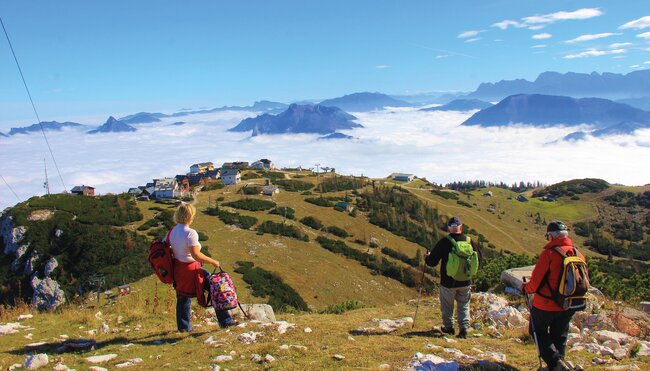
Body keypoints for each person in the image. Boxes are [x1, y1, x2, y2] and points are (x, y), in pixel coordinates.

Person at [523, 221, 583, 371]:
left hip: (546, 303)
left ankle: (555, 363)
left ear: (551, 236)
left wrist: (525, 288)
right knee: (560, 334)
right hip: (569, 303)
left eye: (547, 236)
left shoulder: (549, 254)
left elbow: (535, 282)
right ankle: (558, 365)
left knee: (537, 331)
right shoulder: (577, 253)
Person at [168, 202, 236, 332]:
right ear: (190, 216)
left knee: (182, 297)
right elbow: (196, 255)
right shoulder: (190, 233)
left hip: (178, 270)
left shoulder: (172, 232)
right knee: (214, 288)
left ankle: (183, 328)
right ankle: (225, 321)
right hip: (192, 269)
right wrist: (213, 261)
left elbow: (168, 248)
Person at [425, 216, 481, 338]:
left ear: (450, 228)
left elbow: (432, 262)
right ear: (461, 227)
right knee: (464, 304)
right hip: (465, 280)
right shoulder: (469, 241)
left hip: (448, 282)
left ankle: (448, 327)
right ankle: (464, 328)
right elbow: (478, 259)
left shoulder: (445, 242)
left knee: (447, 305)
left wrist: (427, 257)